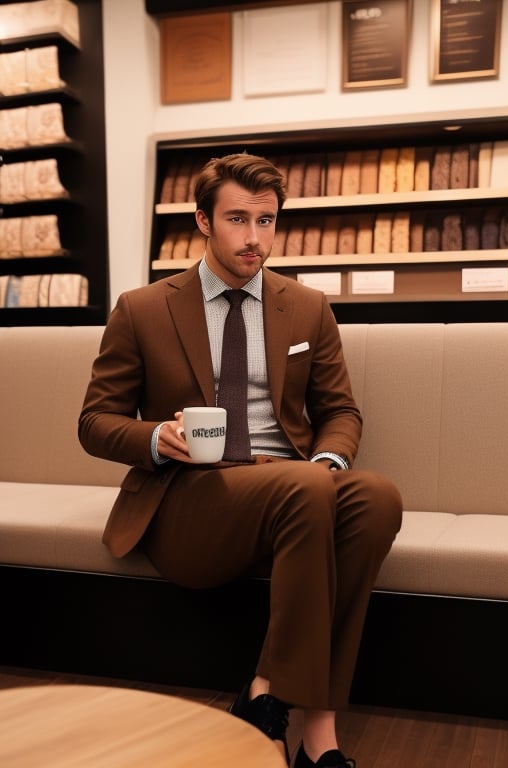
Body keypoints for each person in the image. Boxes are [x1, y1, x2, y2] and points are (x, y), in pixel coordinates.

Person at [79, 152, 402, 768]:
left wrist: (330, 460)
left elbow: (341, 412)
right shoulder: (143, 307)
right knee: (304, 490)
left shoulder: (306, 307)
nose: (255, 238)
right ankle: (302, 722)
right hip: (190, 499)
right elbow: (95, 423)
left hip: (294, 495)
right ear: (202, 221)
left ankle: (302, 722)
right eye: (237, 219)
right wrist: (155, 438)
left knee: (377, 497)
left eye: (267, 220)